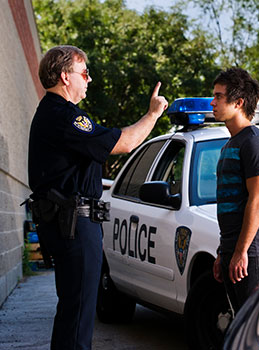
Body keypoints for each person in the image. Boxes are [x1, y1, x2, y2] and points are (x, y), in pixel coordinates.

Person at [28, 45, 168, 350]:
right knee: (78, 314)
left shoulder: (54, 114)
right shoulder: (65, 117)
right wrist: (153, 114)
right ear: (66, 77)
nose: (89, 79)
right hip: (74, 225)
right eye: (84, 73)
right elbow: (125, 142)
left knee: (73, 310)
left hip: (70, 222)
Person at [211, 67, 259, 316]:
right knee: (240, 325)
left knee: (253, 329)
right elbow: (232, 204)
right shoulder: (231, 143)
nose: (213, 101)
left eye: (218, 96)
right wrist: (223, 252)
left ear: (238, 102)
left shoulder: (255, 143)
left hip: (254, 254)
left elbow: (258, 200)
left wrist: (241, 252)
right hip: (233, 251)